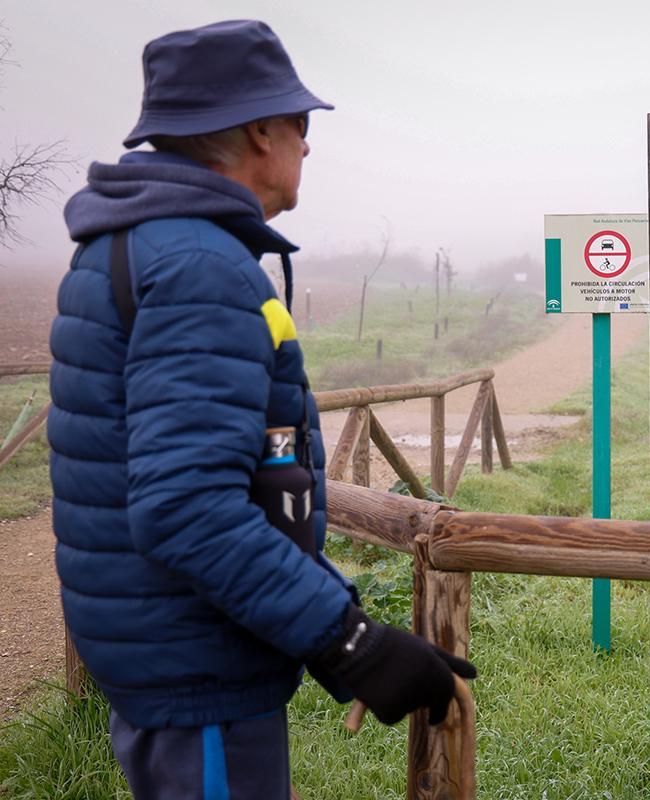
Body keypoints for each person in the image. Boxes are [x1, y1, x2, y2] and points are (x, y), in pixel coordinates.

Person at [49, 20, 475, 799]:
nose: (308, 147)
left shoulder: (131, 244)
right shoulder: (198, 266)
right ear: (258, 132)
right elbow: (186, 508)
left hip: (168, 651)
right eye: (299, 125)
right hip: (198, 670)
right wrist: (351, 641)